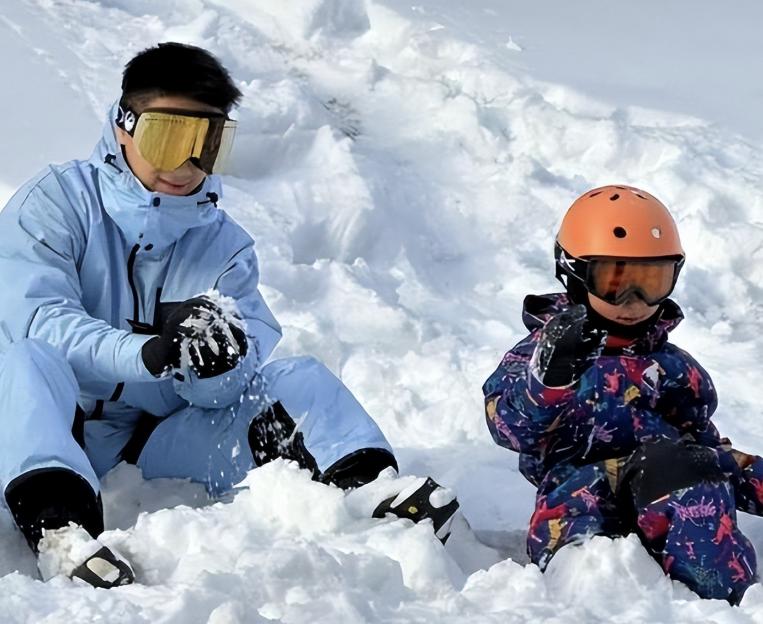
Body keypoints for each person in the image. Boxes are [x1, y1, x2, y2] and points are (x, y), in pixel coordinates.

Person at [0, 42, 458, 588]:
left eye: (206, 144)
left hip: (150, 443)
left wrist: (219, 367)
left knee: (299, 379)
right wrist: (147, 353)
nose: (185, 165)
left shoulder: (224, 247)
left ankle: (366, 491)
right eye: (168, 139)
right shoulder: (55, 204)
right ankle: (61, 534)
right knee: (25, 361)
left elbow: (229, 393)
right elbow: (38, 321)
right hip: (37, 429)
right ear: (124, 128)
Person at [483, 185, 763, 604]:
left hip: (673, 499)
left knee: (692, 474)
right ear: (576, 273)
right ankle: (590, 601)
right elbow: (509, 426)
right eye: (616, 282)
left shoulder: (674, 369)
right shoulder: (543, 357)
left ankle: (717, 605)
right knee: (593, 581)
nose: (635, 302)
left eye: (651, 282)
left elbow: (706, 453)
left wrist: (740, 472)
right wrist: (547, 382)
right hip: (577, 506)